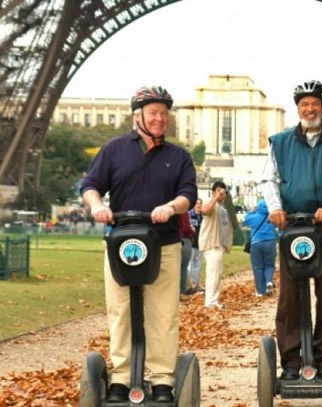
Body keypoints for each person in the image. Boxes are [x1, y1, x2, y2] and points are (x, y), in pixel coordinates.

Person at [80, 86, 197, 403]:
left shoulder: (179, 156)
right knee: (119, 311)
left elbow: (189, 195)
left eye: (164, 113)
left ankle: (162, 379)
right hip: (121, 245)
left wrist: (171, 207)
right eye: (153, 113)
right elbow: (91, 185)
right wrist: (96, 206)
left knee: (162, 313)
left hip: (165, 244)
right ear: (137, 116)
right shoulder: (115, 149)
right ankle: (120, 377)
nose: (160, 119)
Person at [261, 80, 322, 381]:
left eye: (315, 103)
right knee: (290, 294)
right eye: (304, 104)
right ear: (298, 108)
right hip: (293, 225)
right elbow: (269, 180)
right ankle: (290, 360)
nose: (310, 108)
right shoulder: (280, 142)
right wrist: (275, 208)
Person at [199, 181, 233, 309]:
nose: (221, 194)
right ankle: (210, 301)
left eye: (223, 192)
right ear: (213, 191)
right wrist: (215, 198)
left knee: (217, 273)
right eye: (218, 191)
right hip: (212, 243)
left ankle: (214, 299)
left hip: (220, 244)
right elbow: (205, 210)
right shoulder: (211, 203)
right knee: (213, 272)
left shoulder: (222, 207)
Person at [243, 198, 277, 297]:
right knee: (269, 265)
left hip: (256, 243)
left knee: (257, 267)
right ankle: (269, 281)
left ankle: (260, 291)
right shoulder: (272, 217)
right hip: (270, 241)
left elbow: (244, 219)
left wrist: (251, 210)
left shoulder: (254, 217)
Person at [186, 198, 204, 294]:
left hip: (200, 243)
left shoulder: (203, 215)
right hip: (192, 242)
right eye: (197, 203)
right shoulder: (189, 214)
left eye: (200, 203)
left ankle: (196, 284)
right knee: (189, 264)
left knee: (197, 264)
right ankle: (189, 286)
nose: (198, 205)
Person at [178, 211, 194, 297]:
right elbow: (186, 228)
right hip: (184, 239)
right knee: (183, 267)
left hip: (175, 239)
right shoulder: (183, 211)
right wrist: (192, 231)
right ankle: (182, 291)